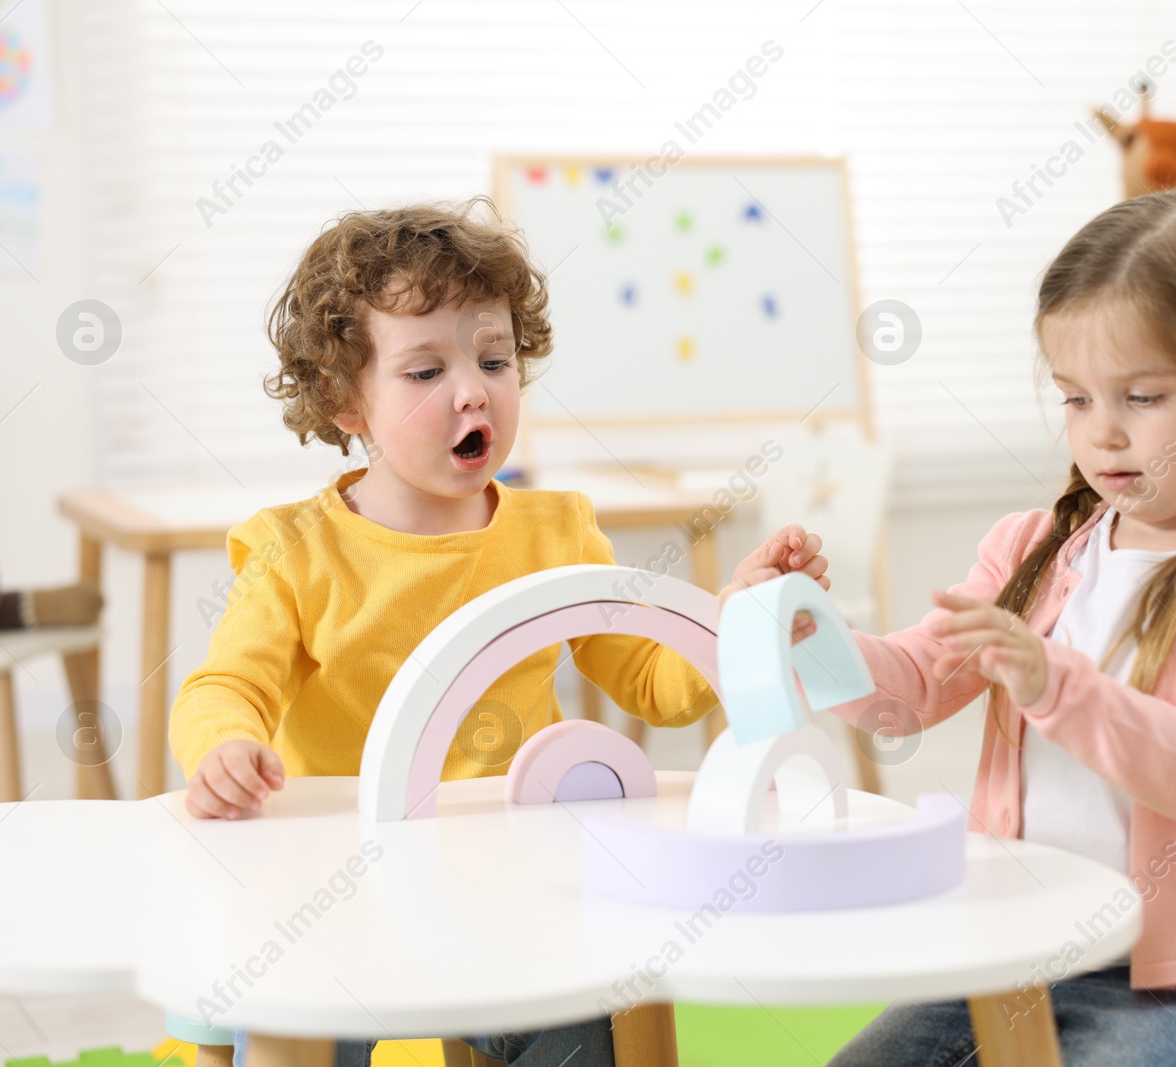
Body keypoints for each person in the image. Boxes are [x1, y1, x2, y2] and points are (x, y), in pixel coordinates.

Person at [169, 198, 827, 1067]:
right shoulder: (293, 549)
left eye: (493, 359)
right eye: (423, 371)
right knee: (290, 1020)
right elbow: (227, 686)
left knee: (591, 1014)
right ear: (342, 399)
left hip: (525, 879)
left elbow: (652, 682)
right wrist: (224, 747)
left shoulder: (557, 531)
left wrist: (736, 622)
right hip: (343, 884)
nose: (473, 389)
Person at [827, 191, 1176, 1067]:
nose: (1102, 433)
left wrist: (1055, 682)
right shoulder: (1032, 548)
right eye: (1074, 398)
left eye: (1141, 396)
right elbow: (905, 693)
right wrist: (800, 632)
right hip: (1024, 952)